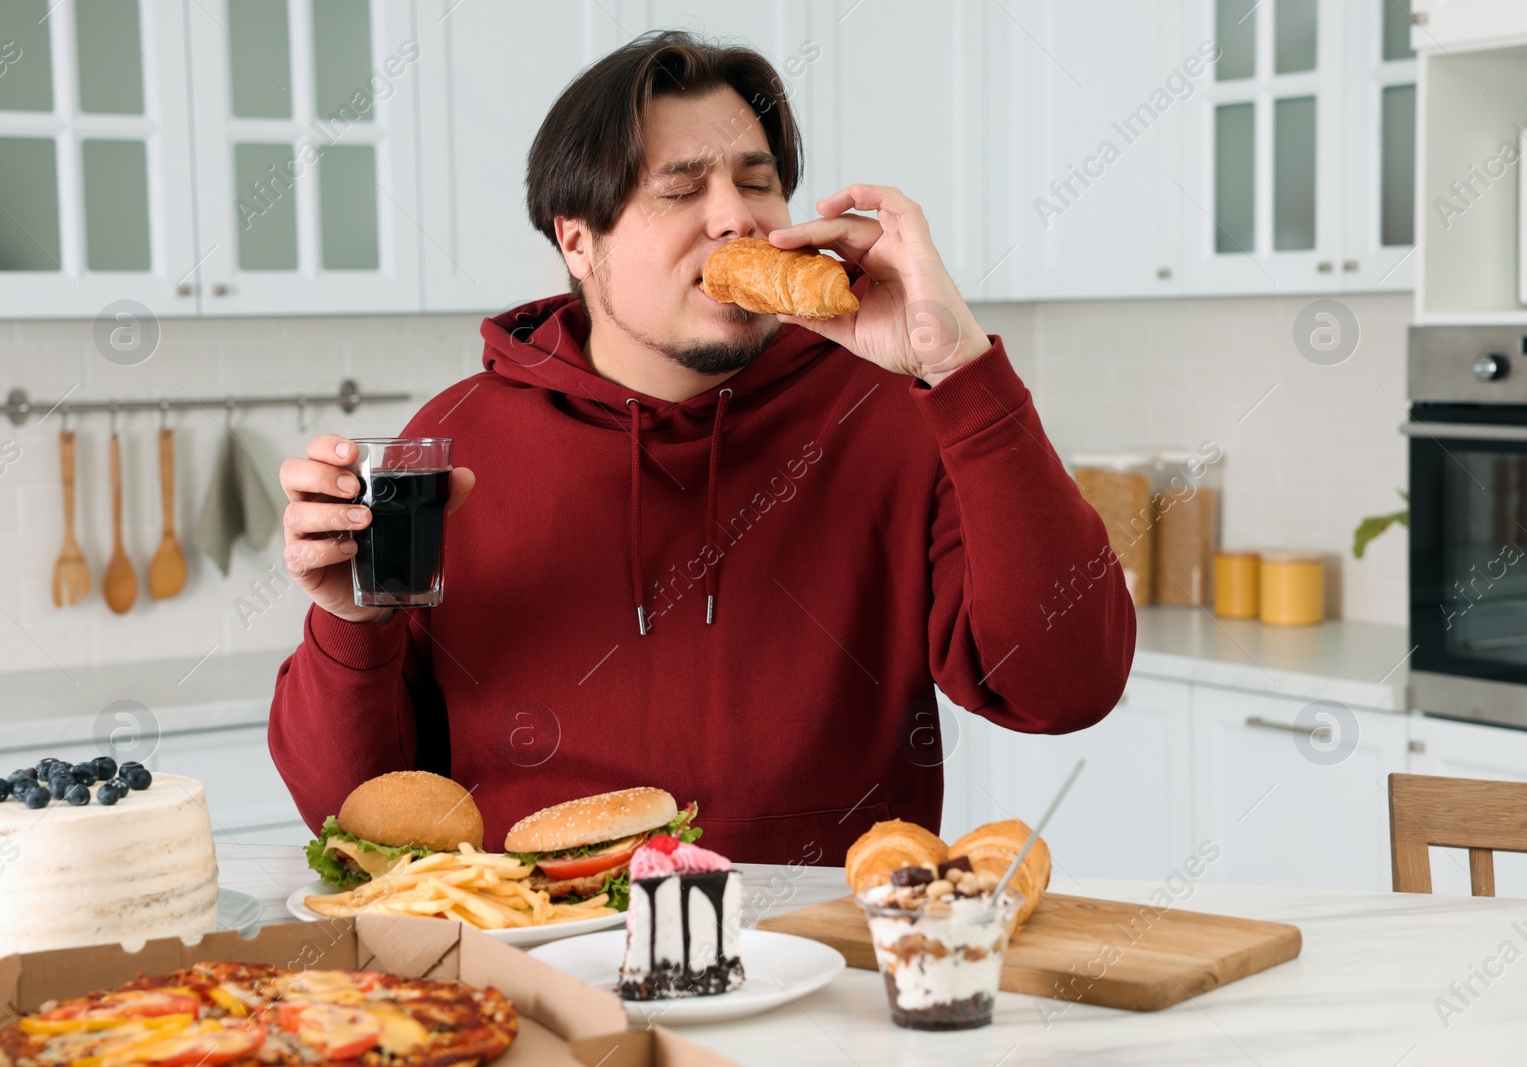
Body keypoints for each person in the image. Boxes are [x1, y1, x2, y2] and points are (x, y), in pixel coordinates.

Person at [270, 30, 1135, 864]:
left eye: (757, 184)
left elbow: (1068, 686)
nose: (735, 219)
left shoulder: (894, 412)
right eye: (681, 190)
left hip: (823, 971)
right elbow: (358, 817)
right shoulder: (449, 447)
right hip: (542, 967)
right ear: (578, 238)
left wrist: (959, 364)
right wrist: (354, 624)